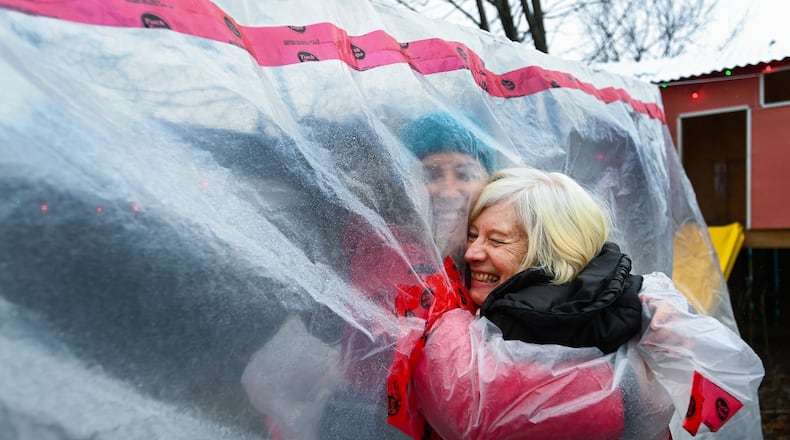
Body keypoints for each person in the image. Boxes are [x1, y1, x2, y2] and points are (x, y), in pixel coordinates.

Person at [387, 167, 764, 440]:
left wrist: (442, 318)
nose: (470, 253)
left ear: (548, 253)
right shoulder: (632, 311)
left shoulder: (598, 347)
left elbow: (470, 412)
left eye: (497, 241)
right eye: (472, 236)